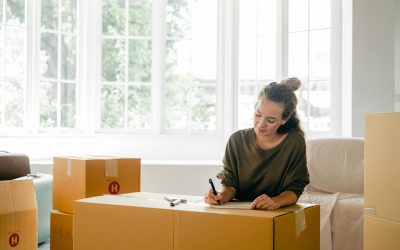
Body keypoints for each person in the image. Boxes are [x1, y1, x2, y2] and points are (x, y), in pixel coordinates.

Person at [204, 77, 309, 210]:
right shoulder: (236, 140)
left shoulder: (294, 142)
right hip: (240, 212)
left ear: (284, 119)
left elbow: (295, 187)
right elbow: (230, 183)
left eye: (270, 120)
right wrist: (220, 196)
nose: (261, 124)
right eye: (258, 115)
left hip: (277, 212)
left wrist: (276, 201)